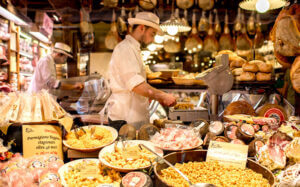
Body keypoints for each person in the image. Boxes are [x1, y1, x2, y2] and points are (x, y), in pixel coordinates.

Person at [105, 12, 177, 130]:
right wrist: (162, 96)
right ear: (142, 28)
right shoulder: (125, 49)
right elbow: (136, 85)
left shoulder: (133, 49)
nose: (153, 39)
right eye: (152, 34)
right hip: (125, 119)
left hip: (132, 116)